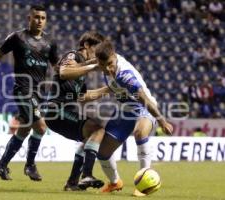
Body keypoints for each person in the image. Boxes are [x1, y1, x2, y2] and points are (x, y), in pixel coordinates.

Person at [0, 4, 59, 181]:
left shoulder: (50, 43)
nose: (39, 21)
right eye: (36, 17)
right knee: (41, 126)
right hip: (23, 89)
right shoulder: (17, 37)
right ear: (29, 18)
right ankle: (30, 166)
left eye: (43, 18)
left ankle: (2, 165)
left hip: (39, 92)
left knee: (24, 129)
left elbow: (57, 68)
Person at [90, 40, 173, 196]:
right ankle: (115, 183)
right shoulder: (103, 63)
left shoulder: (124, 75)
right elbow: (93, 62)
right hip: (125, 110)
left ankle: (144, 183)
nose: (108, 69)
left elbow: (145, 100)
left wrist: (162, 121)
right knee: (102, 152)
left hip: (143, 107)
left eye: (110, 64)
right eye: (103, 65)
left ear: (114, 56)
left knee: (140, 133)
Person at [44, 31, 107, 191]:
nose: (98, 53)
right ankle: (86, 175)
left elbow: (83, 96)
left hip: (62, 112)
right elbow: (64, 72)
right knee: (97, 130)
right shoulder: (74, 56)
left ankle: (72, 183)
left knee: (90, 137)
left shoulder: (81, 69)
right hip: (56, 110)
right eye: (97, 48)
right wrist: (92, 66)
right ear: (86, 45)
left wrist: (109, 89)